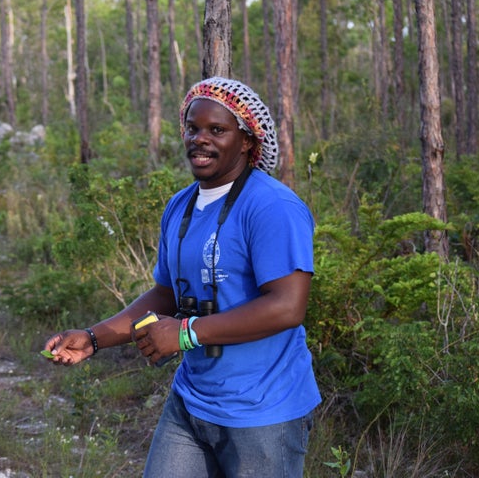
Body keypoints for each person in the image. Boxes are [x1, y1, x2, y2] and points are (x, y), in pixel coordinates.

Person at [43, 76, 321, 477]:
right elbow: (166, 293)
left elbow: (287, 307)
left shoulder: (272, 207)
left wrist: (186, 333)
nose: (200, 139)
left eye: (217, 130)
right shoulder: (180, 207)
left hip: (264, 411)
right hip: (192, 404)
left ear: (246, 140)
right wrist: (92, 338)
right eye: (193, 128)